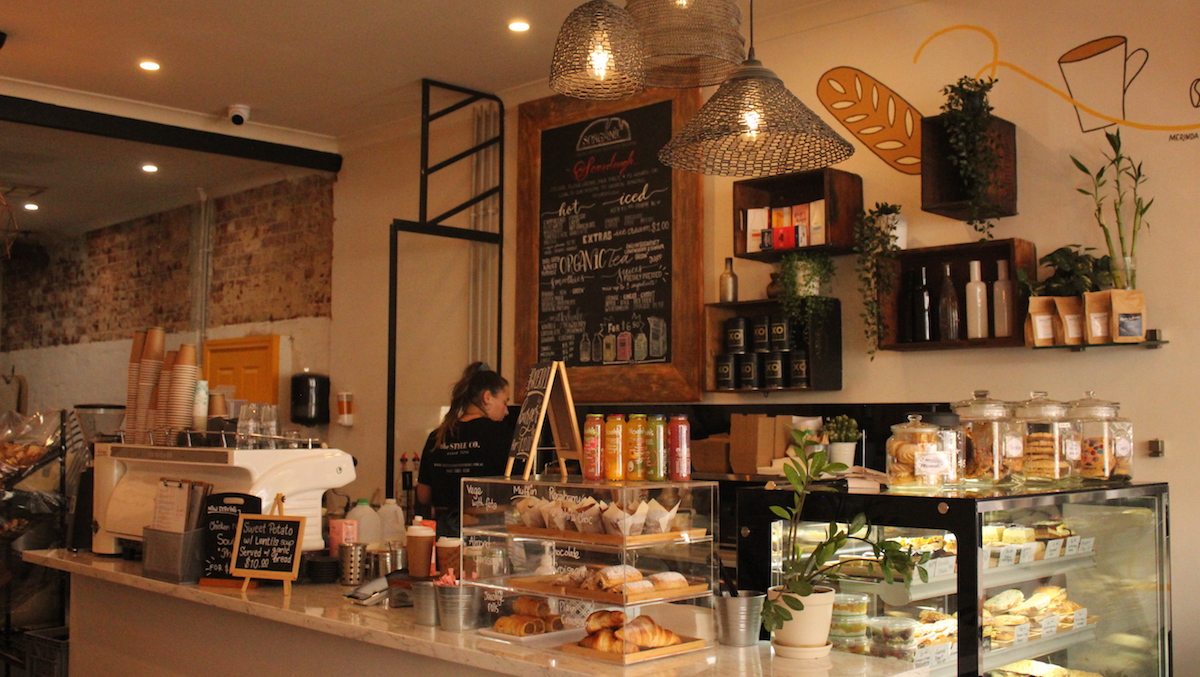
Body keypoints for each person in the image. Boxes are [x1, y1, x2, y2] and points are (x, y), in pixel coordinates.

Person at [416, 362, 512, 536]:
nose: (506, 411)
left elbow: (423, 495)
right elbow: (518, 491)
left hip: (445, 535)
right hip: (488, 532)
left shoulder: (437, 436)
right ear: (487, 397)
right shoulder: (502, 435)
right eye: (505, 402)